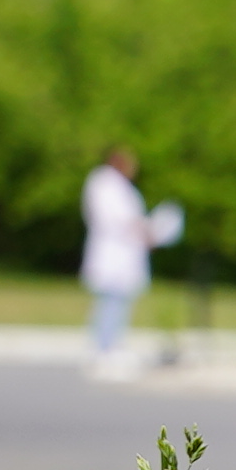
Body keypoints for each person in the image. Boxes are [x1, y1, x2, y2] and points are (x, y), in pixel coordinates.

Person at [78, 149, 153, 372]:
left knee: (117, 305)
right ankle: (103, 350)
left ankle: (109, 347)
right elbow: (119, 219)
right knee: (110, 304)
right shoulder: (104, 184)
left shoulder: (114, 186)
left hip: (122, 256)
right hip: (113, 256)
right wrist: (145, 230)